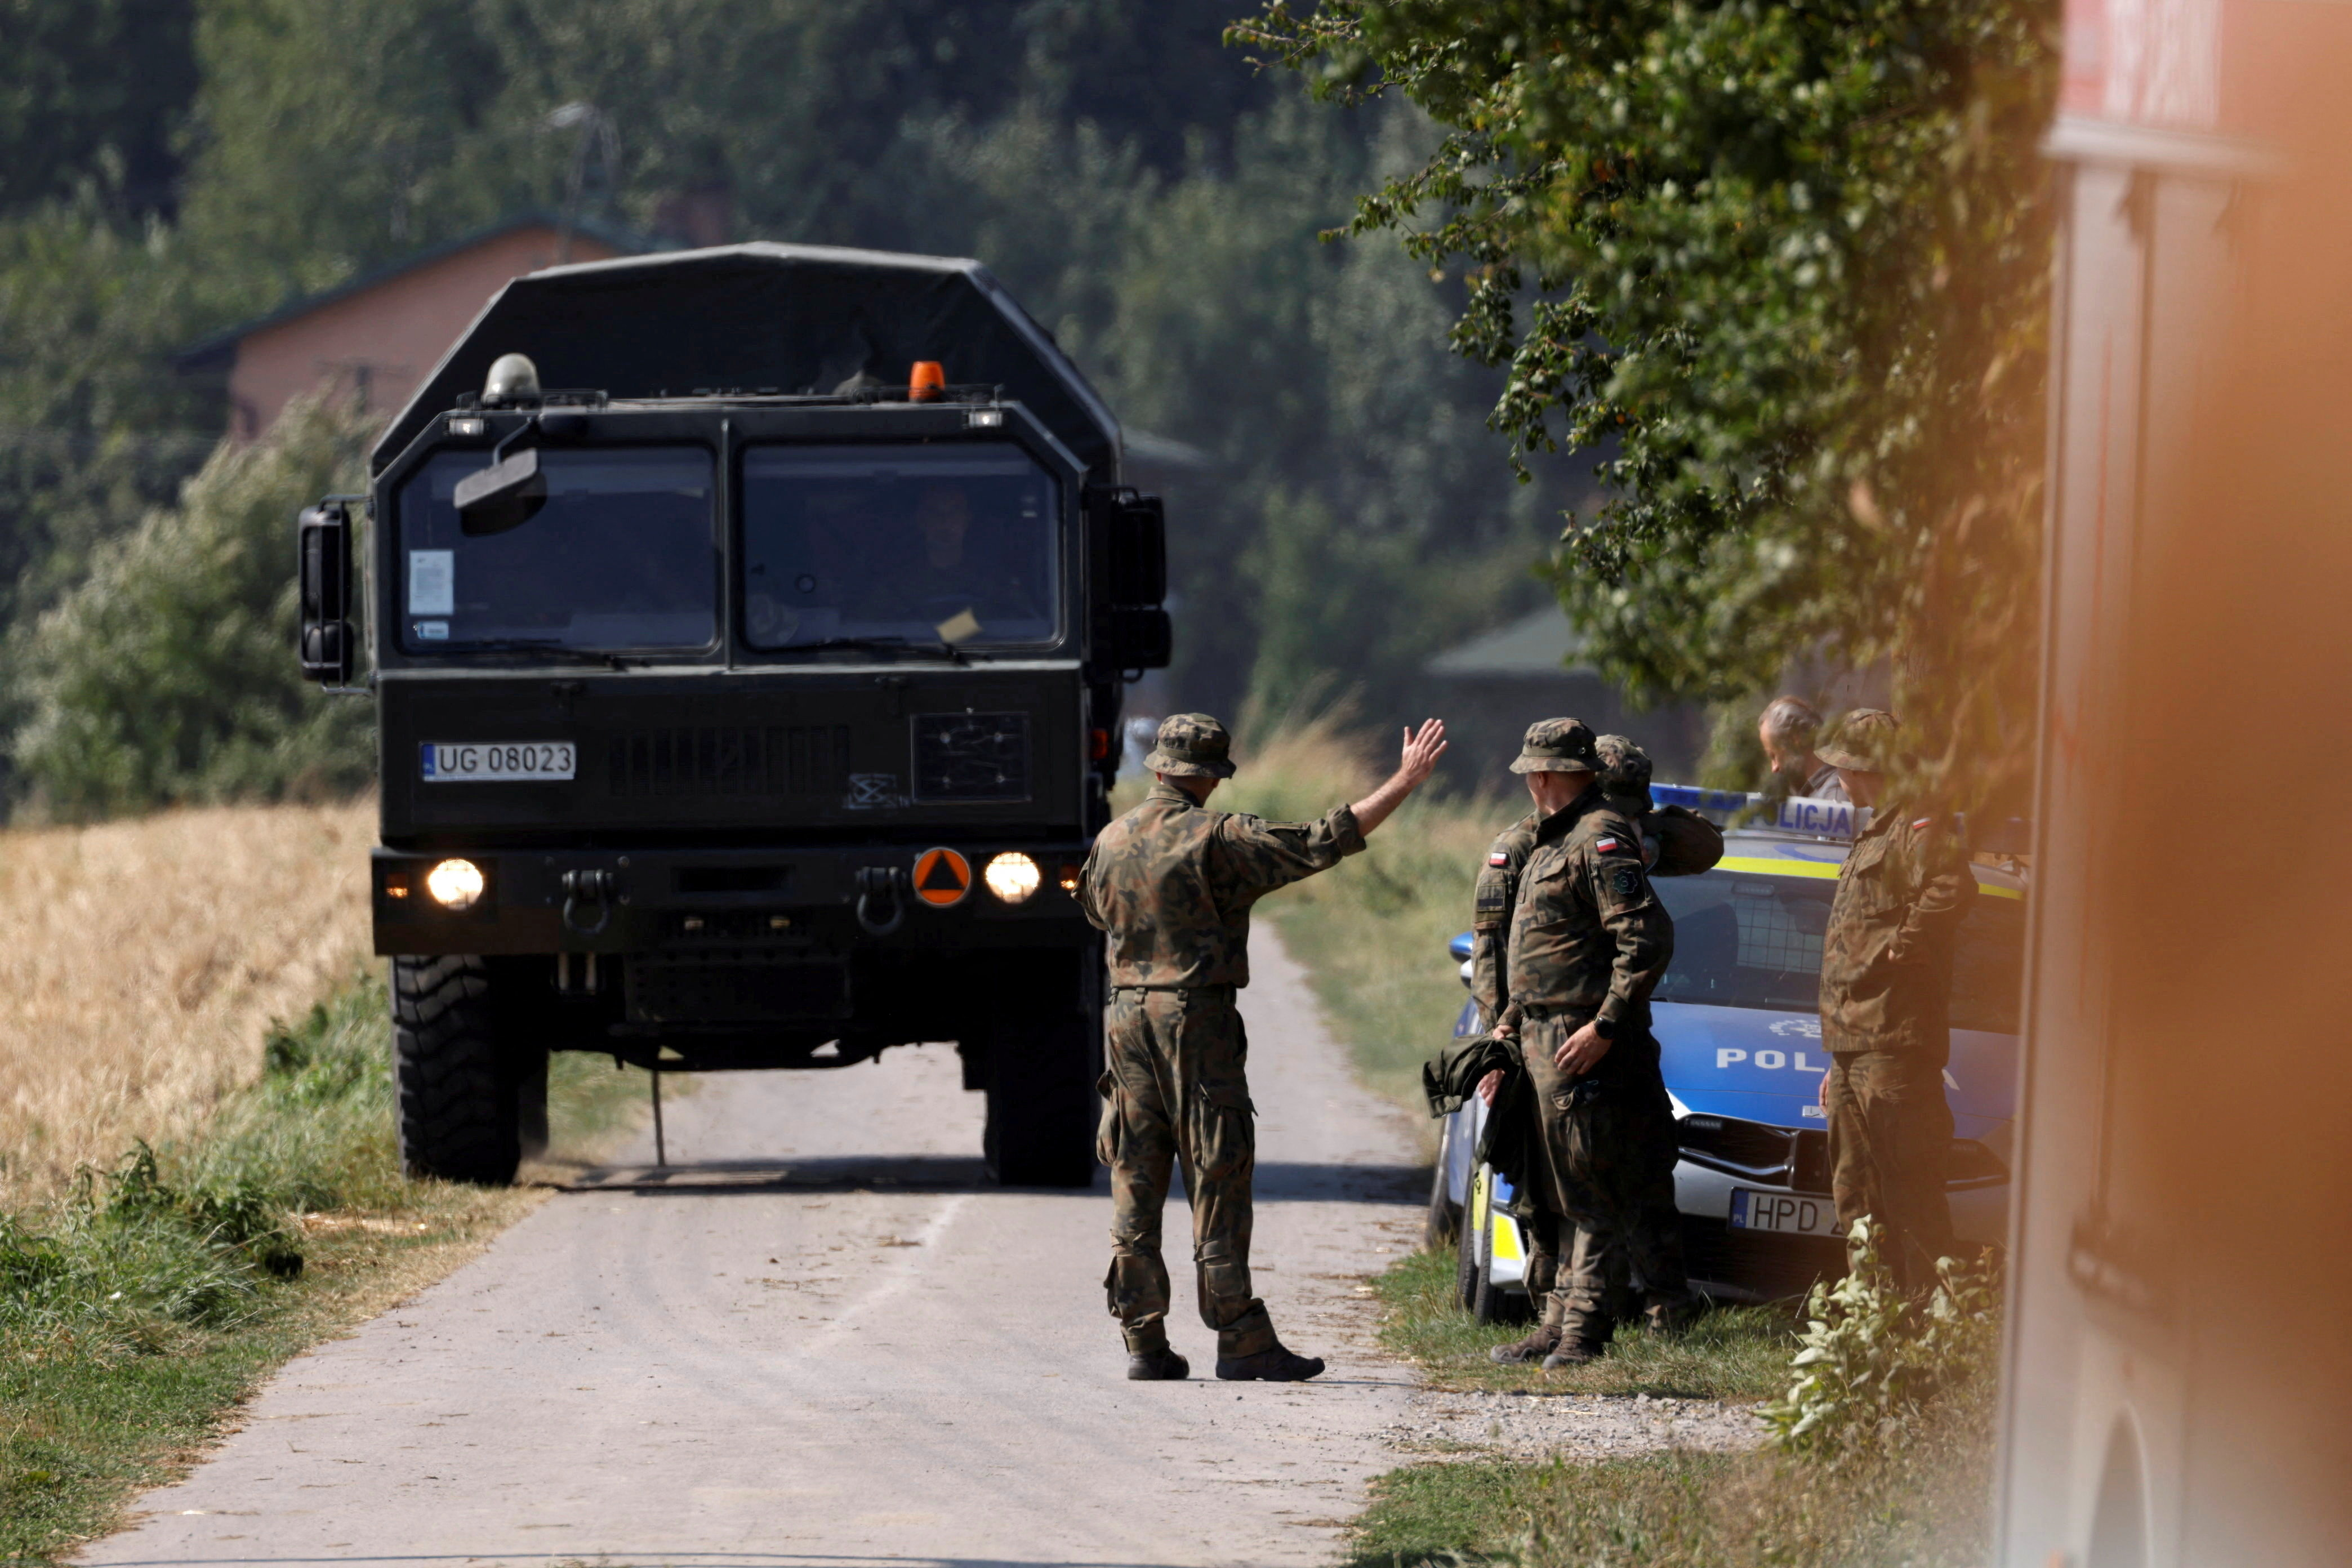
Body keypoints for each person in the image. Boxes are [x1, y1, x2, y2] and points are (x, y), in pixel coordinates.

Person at [1080, 711, 1449, 1382]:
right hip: (1196, 1019)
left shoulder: (1108, 840)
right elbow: (1323, 840)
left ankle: (1144, 1340)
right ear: (1212, 778)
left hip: (1126, 1017)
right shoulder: (1221, 838)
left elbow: (1097, 914)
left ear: (1159, 768)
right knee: (1217, 1172)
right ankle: (1240, 1337)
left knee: (1135, 1173)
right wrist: (1403, 781)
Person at [1469, 733, 1720, 1325]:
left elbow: (1701, 851)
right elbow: (1497, 953)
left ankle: (1655, 1307)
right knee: (1554, 1187)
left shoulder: (1614, 839)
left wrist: (1646, 835)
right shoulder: (1526, 845)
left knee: (1639, 1172)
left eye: (1633, 806)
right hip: (1545, 1037)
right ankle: (1557, 1312)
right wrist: (1501, 1039)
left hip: (1615, 1033)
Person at [1814, 709, 1977, 1292]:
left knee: (1912, 1195)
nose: (1837, 778)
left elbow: (1953, 888)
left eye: (1842, 766)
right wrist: (1841, 1059)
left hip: (1895, 1046)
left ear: (1866, 766)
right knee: (1856, 1196)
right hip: (1856, 1045)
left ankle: (1939, 1333)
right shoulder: (1876, 831)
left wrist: (1903, 949)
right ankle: (1873, 1331)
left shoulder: (1917, 825)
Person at [1758, 695, 1847, 801]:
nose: (1774, 768)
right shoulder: (1819, 792)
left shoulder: (1834, 796)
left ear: (1795, 740)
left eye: (1773, 756)